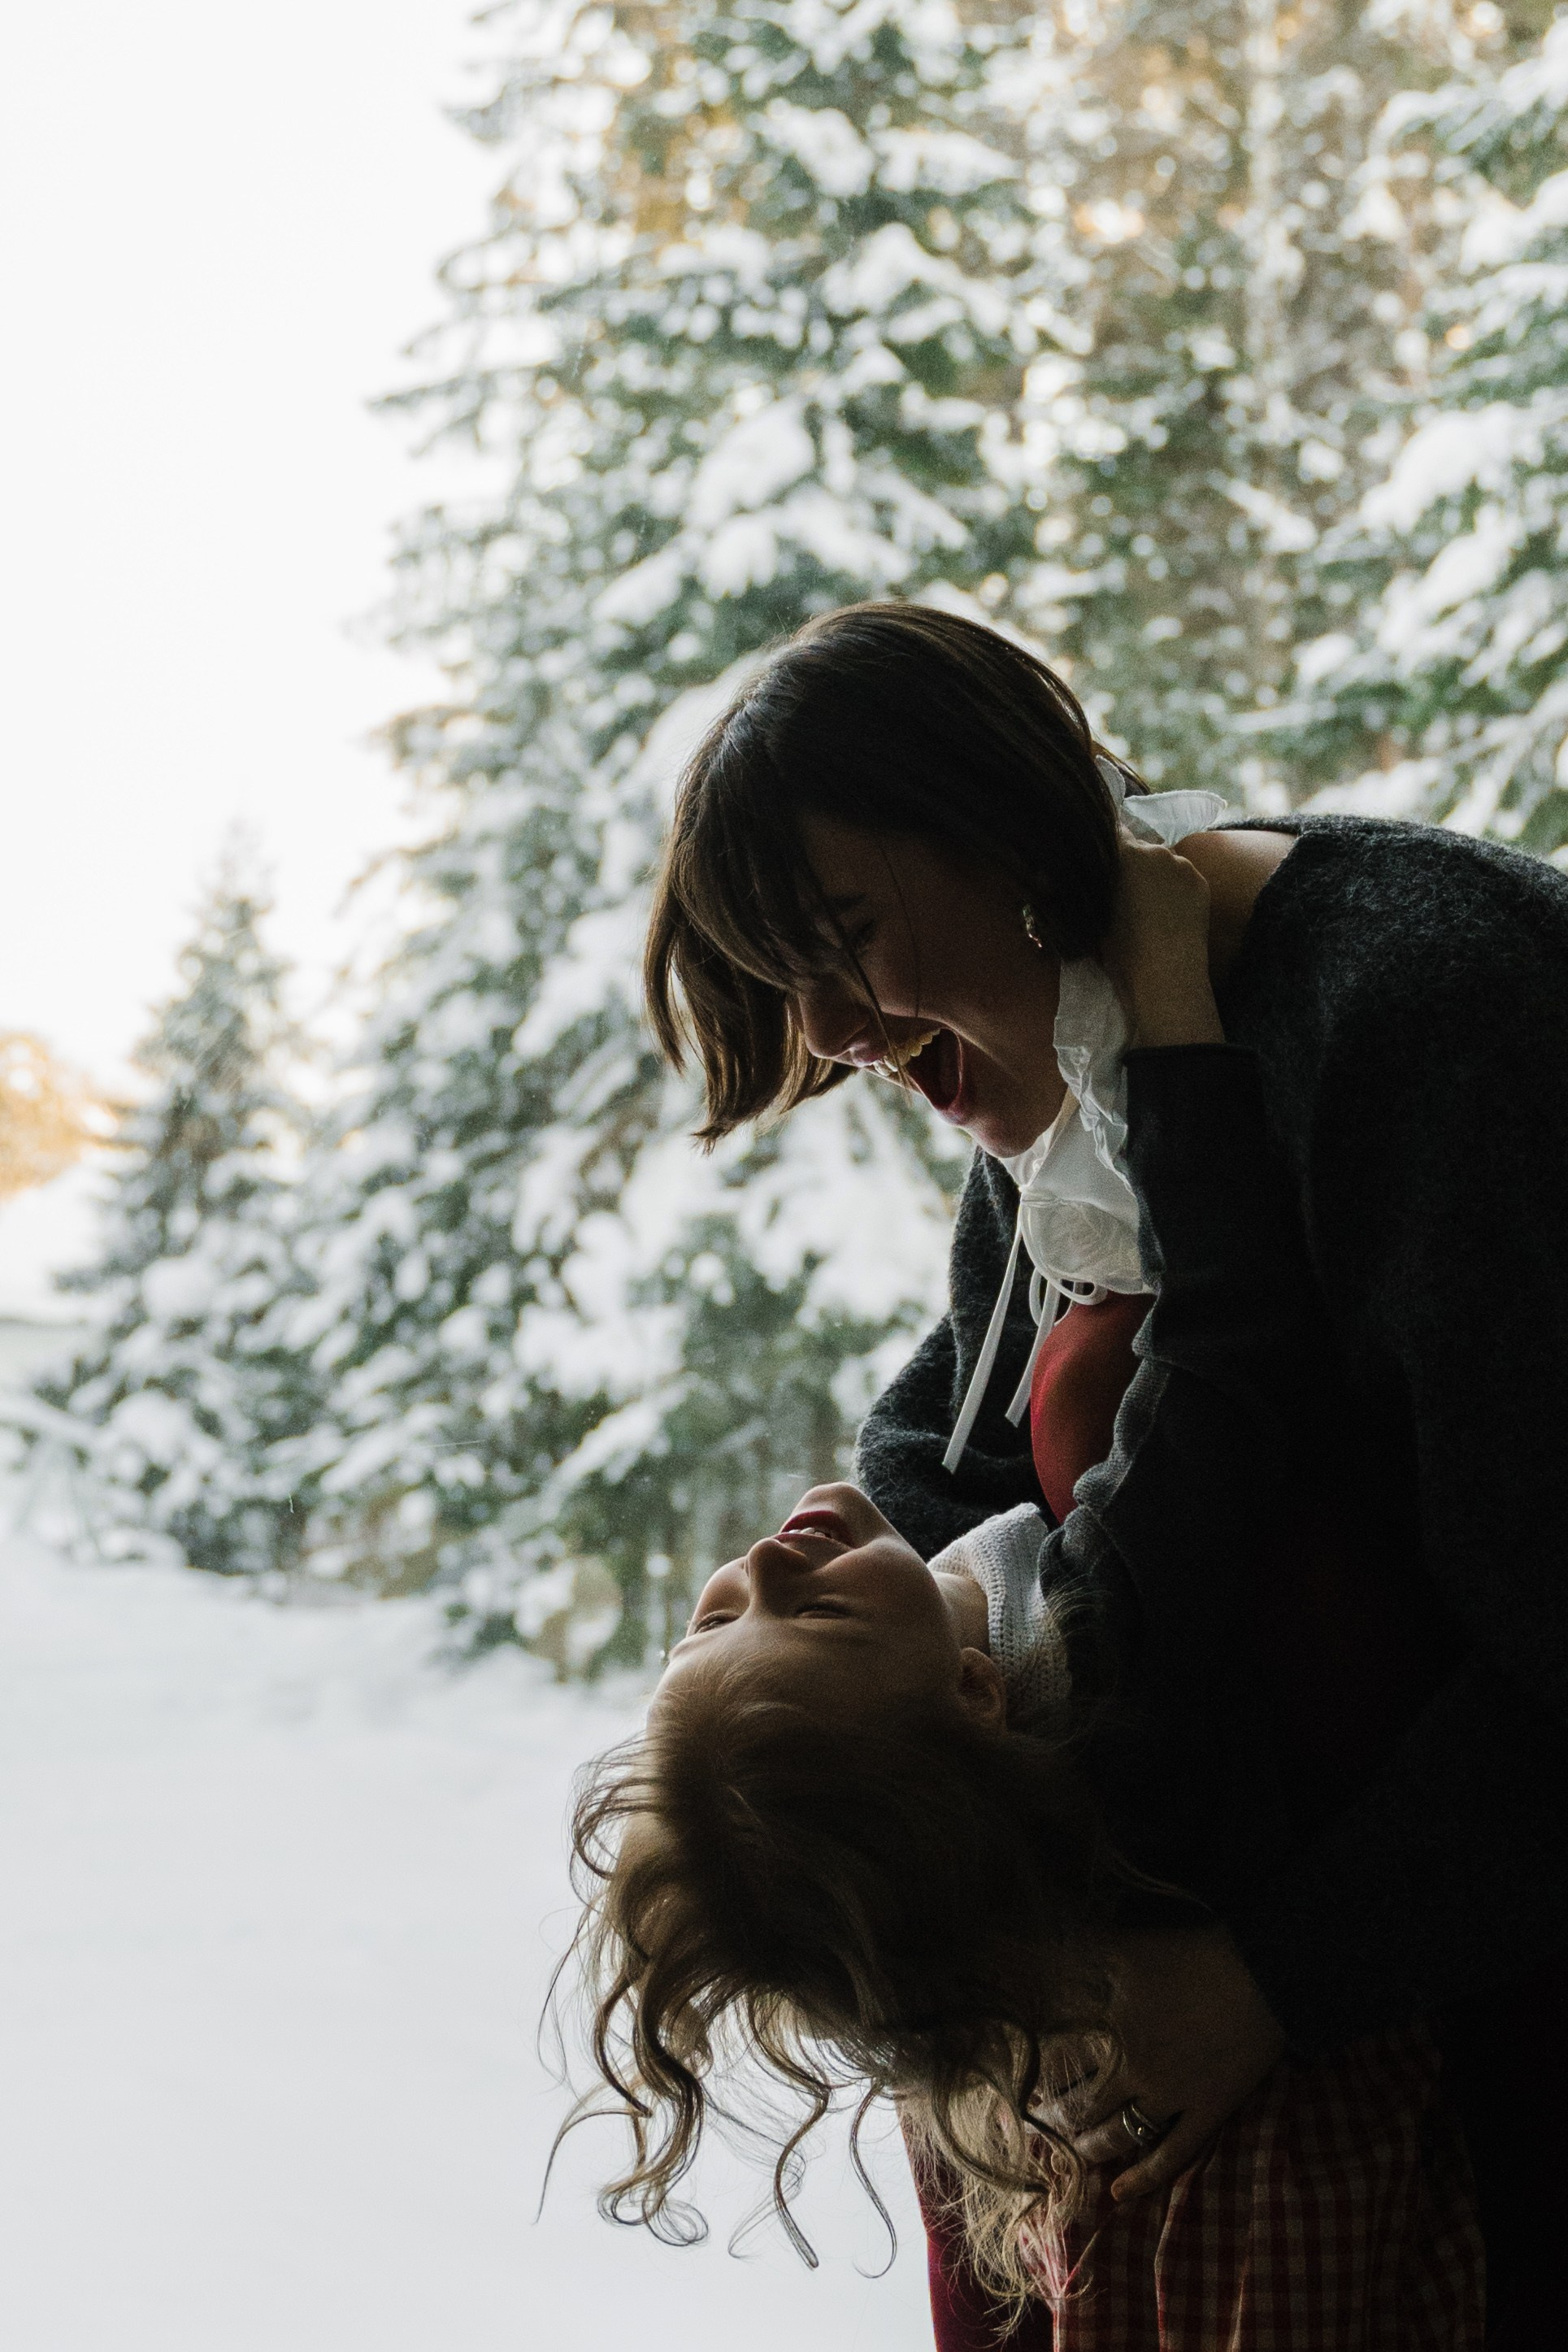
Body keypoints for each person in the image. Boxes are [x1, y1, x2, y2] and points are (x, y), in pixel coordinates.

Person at [632, 601, 1568, 2343]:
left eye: (842, 940)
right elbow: (943, 1441)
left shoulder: (1417, 1020)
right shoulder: (1069, 1076)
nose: (831, 1030)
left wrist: (1271, 1982)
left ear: (1010, 825)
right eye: (787, 987)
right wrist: (835, 1717)